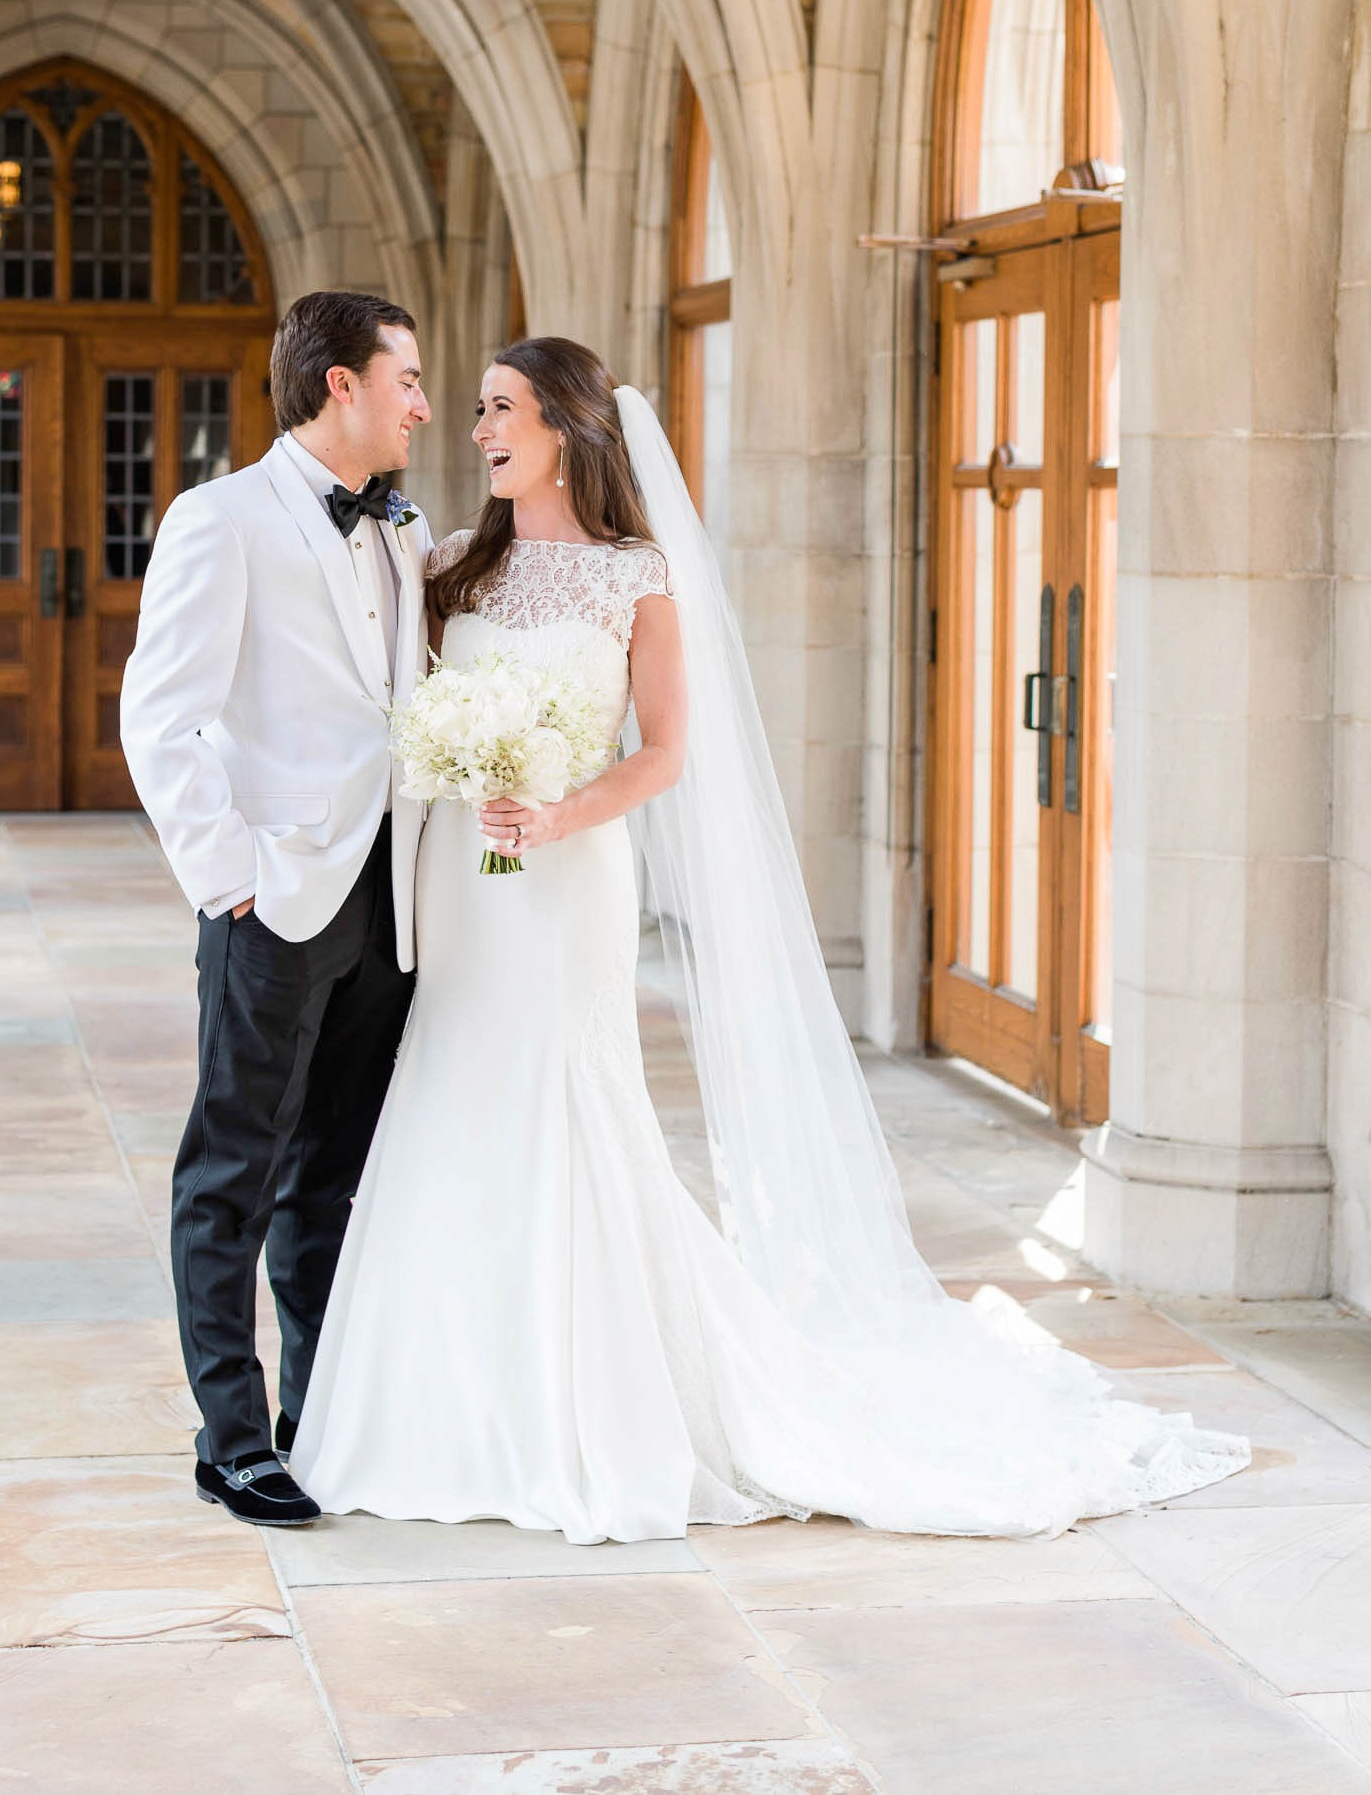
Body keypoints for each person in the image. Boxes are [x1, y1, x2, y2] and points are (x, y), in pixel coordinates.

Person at [290, 336, 1248, 1543]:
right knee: (450, 1102)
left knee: (565, 1111)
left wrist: (558, 811)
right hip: (464, 887)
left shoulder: (635, 577)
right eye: (474, 408)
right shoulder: (447, 566)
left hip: (563, 879)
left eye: (500, 409)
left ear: (570, 429)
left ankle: (587, 1415)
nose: (477, 428)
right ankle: (435, 1411)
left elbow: (663, 754)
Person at [119, 290, 432, 1526]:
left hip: (388, 900)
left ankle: (320, 1413)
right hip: (276, 896)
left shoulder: (404, 529)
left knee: (333, 1175)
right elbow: (161, 713)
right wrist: (231, 879)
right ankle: (231, 1436)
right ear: (338, 387)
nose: (421, 402)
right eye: (404, 377)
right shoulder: (221, 519)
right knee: (233, 1171)